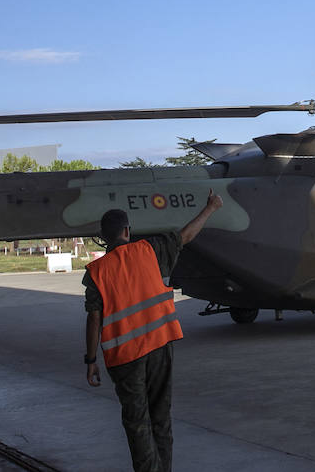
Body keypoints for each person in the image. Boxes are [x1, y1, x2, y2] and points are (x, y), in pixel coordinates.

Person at [83, 190, 223, 472]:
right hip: (159, 347)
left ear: (104, 237)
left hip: (124, 359)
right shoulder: (150, 250)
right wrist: (211, 208)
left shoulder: (97, 271)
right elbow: (185, 236)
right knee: (161, 418)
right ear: (127, 230)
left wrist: (90, 361)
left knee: (137, 423)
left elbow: (94, 319)